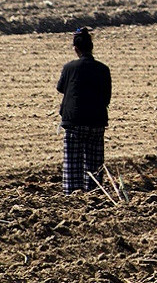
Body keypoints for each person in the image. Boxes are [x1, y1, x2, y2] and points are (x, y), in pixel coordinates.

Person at [56, 28, 112, 195]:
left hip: (74, 121)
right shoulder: (103, 69)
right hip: (96, 122)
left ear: (76, 48)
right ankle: (94, 193)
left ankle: (72, 194)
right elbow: (106, 96)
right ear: (91, 46)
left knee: (72, 163)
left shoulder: (69, 68)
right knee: (94, 164)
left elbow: (61, 88)